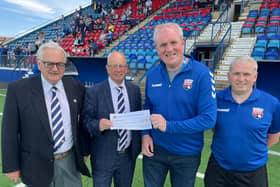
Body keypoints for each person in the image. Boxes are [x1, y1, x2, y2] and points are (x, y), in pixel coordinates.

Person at [1, 41, 91, 187]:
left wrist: (85, 150)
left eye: (60, 64)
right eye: (49, 63)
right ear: (39, 63)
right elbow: (9, 131)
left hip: (69, 161)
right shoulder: (18, 90)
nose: (55, 69)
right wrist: (11, 166)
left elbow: (81, 123)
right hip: (35, 164)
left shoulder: (75, 87)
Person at [141, 22, 217, 187]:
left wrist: (169, 126)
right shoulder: (153, 74)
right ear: (157, 48)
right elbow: (147, 107)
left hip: (186, 154)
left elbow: (208, 119)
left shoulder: (202, 74)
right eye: (163, 45)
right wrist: (145, 134)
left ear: (183, 43)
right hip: (155, 149)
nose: (169, 49)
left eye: (173, 43)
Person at [204, 55, 280, 187]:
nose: (241, 79)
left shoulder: (271, 103)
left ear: (255, 77)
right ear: (229, 75)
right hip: (219, 169)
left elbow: (274, 136)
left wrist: (252, 152)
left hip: (254, 173)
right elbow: (214, 127)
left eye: (246, 74)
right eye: (236, 74)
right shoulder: (215, 100)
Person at [82, 51, 142, 187]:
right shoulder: (94, 92)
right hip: (103, 156)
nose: (118, 70)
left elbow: (138, 120)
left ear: (126, 68)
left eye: (121, 66)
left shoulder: (134, 91)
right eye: (114, 66)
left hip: (127, 155)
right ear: (107, 68)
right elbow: (86, 121)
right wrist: (98, 125)